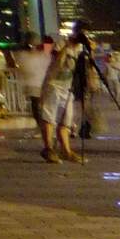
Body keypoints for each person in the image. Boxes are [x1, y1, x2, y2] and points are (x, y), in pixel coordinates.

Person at [38, 31, 85, 164]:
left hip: (67, 87)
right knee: (49, 117)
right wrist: (67, 47)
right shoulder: (61, 44)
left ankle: (66, 151)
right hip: (53, 85)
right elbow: (58, 63)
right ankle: (49, 149)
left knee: (66, 120)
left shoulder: (81, 48)